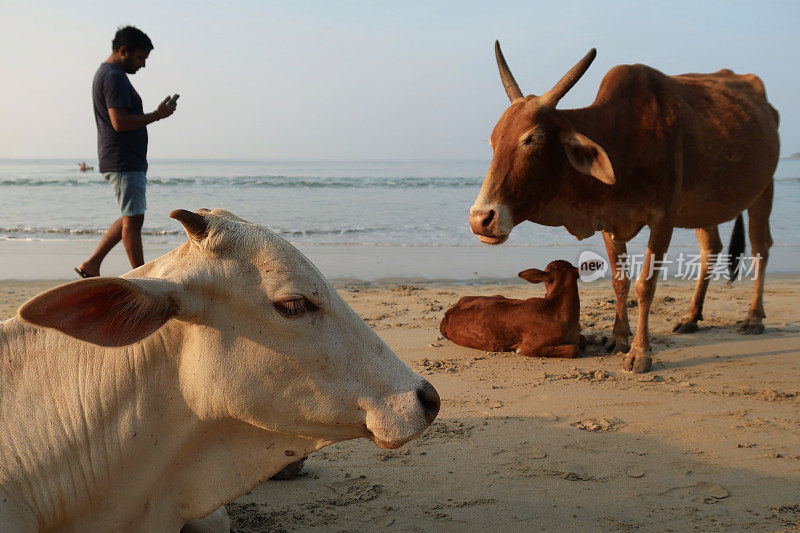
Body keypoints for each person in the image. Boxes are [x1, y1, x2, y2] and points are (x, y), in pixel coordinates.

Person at [75, 25, 177, 278]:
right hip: (123, 160)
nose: (143, 65)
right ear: (123, 51)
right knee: (133, 222)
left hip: (123, 159)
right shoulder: (114, 77)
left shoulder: (110, 74)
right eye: (141, 58)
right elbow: (119, 122)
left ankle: (92, 264)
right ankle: (142, 280)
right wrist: (157, 115)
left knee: (130, 217)